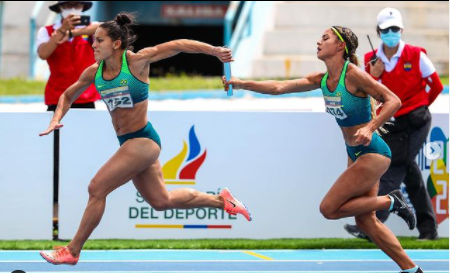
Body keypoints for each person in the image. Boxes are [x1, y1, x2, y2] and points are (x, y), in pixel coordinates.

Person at [39, 13, 251, 266]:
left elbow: (178, 45)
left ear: (116, 44)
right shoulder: (94, 72)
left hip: (143, 141)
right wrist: (55, 118)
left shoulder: (137, 62)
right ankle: (221, 200)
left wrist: (214, 50)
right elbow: (67, 96)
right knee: (162, 201)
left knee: (96, 188)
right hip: (129, 142)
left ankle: (72, 251)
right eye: (93, 40)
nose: (93, 45)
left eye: (98, 40)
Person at [223, 26, 423, 273]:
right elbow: (278, 87)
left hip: (373, 152)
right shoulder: (322, 80)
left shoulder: (353, 75)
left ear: (340, 46)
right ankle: (412, 269)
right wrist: (240, 83)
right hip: (355, 154)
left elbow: (394, 100)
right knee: (365, 221)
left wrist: (370, 128)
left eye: (325, 38)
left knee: (328, 209)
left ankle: (390, 201)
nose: (318, 42)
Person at [344, 7, 443, 241]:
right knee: (409, 171)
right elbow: (364, 94)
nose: (392, 33)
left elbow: (436, 86)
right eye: (387, 29)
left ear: (402, 30)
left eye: (396, 29)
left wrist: (419, 107)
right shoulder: (369, 61)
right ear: (379, 32)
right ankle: (428, 229)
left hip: (416, 121)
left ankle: (372, 224)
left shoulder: (416, 54)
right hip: (390, 124)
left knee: (393, 165)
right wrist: (375, 75)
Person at [37, 1, 101, 215]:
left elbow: (109, 27)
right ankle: (54, 198)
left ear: (83, 8)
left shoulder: (92, 30)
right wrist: (62, 31)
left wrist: (75, 32)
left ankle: (81, 197)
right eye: (68, 5)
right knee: (54, 152)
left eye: (76, 4)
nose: (72, 8)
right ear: (60, 9)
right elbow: (43, 53)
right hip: (57, 99)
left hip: (86, 98)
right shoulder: (47, 31)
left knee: (85, 150)